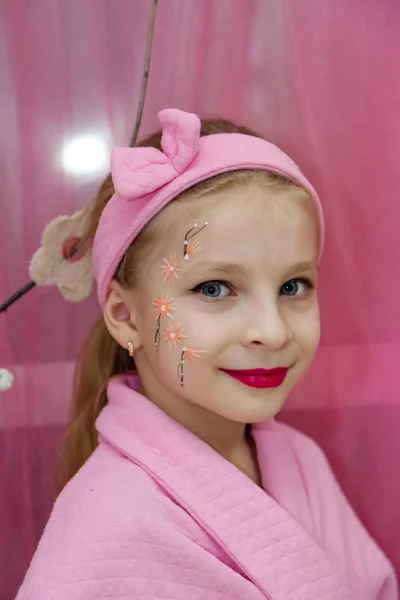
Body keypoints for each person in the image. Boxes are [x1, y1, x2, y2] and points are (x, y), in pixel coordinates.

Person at [17, 109, 397, 599]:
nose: (271, 331)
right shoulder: (108, 524)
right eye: (215, 288)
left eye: (293, 285)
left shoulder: (301, 461)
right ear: (126, 316)